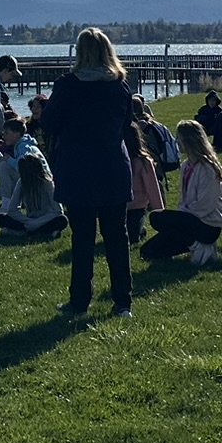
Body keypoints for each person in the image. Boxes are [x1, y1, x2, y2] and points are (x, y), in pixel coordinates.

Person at [38, 28, 137, 316]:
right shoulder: (119, 86)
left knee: (82, 237)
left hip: (78, 167)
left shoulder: (68, 85)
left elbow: (51, 123)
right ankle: (123, 301)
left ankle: (79, 301)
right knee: (117, 236)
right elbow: (127, 122)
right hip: (112, 167)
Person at [141, 120, 222, 263]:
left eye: (178, 138)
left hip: (206, 223)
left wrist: (181, 217)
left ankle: (199, 245)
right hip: (188, 218)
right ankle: (192, 243)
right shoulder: (186, 165)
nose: (176, 141)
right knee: (147, 252)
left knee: (157, 217)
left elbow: (206, 204)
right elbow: (183, 198)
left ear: (188, 140)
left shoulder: (207, 168)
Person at [0, 152, 66, 238]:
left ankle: (24, 232)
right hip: (28, 220)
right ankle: (43, 232)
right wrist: (28, 221)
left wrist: (36, 223)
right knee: (2, 218)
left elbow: (57, 211)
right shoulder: (22, 183)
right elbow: (12, 210)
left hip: (45, 220)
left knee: (62, 220)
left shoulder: (47, 184)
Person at [127, 119, 166, 244]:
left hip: (136, 207)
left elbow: (152, 188)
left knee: (132, 238)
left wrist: (160, 212)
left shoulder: (143, 162)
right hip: (118, 206)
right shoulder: (115, 159)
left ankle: (140, 229)